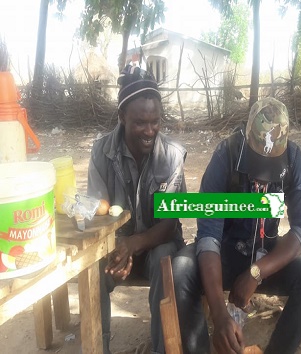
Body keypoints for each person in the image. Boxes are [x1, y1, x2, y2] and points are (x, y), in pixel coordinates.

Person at [172, 97, 301, 354]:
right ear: (247, 138)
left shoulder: (293, 158)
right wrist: (220, 316)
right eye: (257, 164)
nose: (263, 174)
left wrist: (257, 272)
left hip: (266, 257)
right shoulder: (227, 155)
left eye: (271, 167)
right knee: (181, 268)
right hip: (224, 254)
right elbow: (209, 235)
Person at [87, 65, 187, 354]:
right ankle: (98, 347)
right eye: (140, 122)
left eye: (155, 122)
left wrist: (134, 243)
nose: (149, 131)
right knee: (93, 270)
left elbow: (170, 224)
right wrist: (119, 249)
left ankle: (160, 348)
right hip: (117, 246)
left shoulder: (172, 156)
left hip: (158, 243)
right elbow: (99, 212)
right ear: (121, 117)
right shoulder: (101, 152)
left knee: (162, 258)